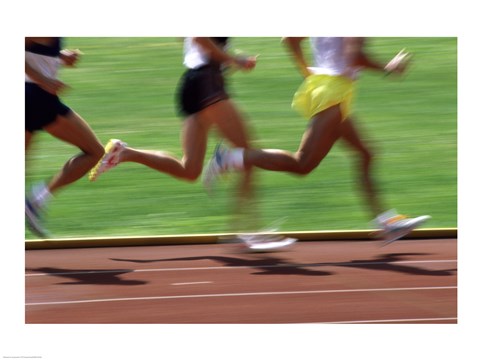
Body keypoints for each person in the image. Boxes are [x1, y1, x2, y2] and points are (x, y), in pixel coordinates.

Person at [203, 37, 430, 244]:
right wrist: (388, 67)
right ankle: (229, 158)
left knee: (365, 153)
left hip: (326, 88)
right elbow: (355, 56)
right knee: (301, 164)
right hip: (334, 93)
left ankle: (385, 223)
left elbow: (290, 39)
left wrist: (306, 71)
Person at [88, 37, 274, 248]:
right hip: (207, 84)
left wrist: (232, 60)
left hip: (193, 83)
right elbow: (199, 38)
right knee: (248, 155)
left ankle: (126, 153)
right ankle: (247, 229)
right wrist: (234, 60)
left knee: (189, 169)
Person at [25, 37, 105, 238]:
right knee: (95, 152)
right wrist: (44, 81)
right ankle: (37, 199)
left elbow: (35, 52)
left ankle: (35, 200)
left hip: (34, 97)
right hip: (35, 97)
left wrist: (61, 57)